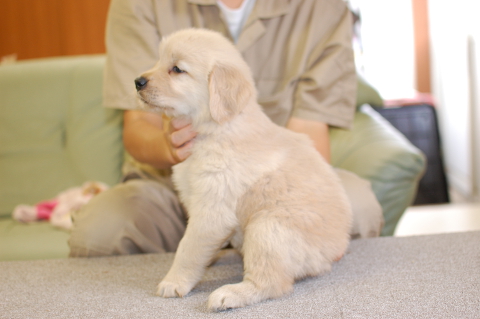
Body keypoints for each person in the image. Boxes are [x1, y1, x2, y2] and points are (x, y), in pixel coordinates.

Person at [68, 0, 383, 257]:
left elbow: (310, 132)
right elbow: (138, 127)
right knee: (99, 231)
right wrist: (170, 146)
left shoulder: (322, 8)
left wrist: (265, 206)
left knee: (358, 208)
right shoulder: (139, 4)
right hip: (170, 187)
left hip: (269, 186)